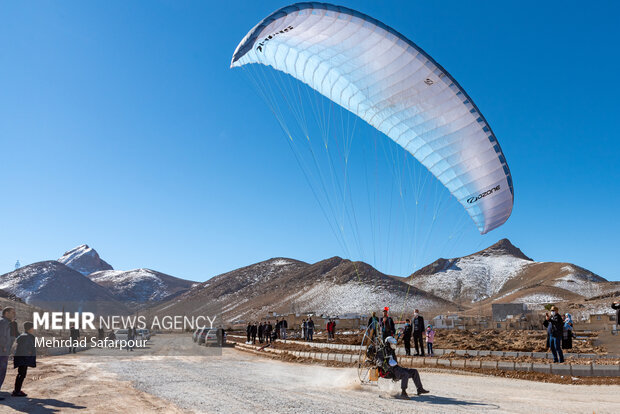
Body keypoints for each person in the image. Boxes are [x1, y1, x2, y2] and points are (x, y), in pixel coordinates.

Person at [12, 321, 36, 397]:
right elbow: (26, 349)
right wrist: (28, 357)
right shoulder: (27, 337)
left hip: (21, 358)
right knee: (21, 374)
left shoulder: (24, 335)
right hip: (23, 358)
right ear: (30, 328)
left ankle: (17, 390)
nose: (33, 329)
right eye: (33, 327)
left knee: (21, 374)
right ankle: (16, 391)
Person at [0, 307, 16, 400]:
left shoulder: (4, 322)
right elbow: (2, 336)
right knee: (1, 371)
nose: (14, 314)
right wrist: (4, 346)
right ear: (6, 313)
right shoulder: (4, 322)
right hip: (2, 351)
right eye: (12, 312)